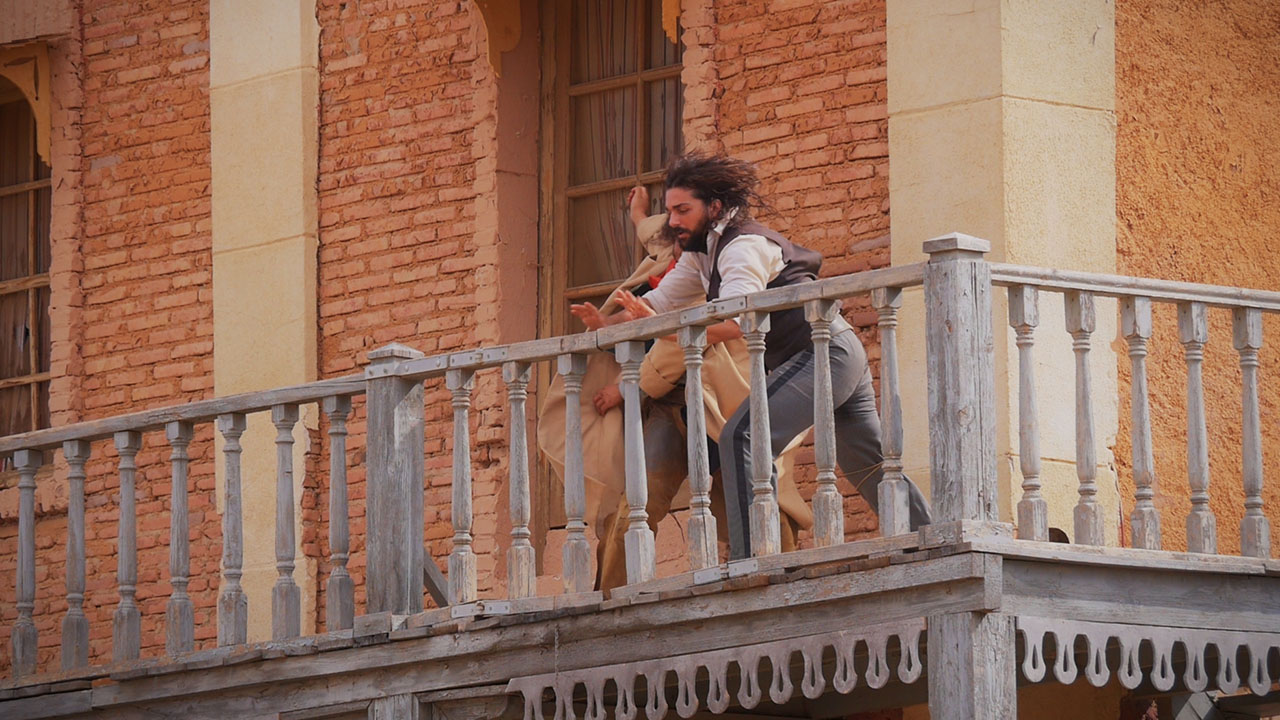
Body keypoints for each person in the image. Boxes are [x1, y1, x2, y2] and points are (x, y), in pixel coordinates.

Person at [603, 152, 933, 559]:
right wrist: (604, 323)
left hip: (825, 351)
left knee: (743, 436)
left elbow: (738, 322)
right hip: (831, 350)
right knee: (863, 457)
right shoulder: (701, 252)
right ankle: (929, 534)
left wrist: (662, 329)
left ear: (715, 207)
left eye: (682, 210)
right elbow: (659, 301)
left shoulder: (742, 247)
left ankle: (752, 559)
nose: (672, 221)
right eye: (669, 211)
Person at [539, 186, 811, 593]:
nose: (677, 238)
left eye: (684, 215)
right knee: (639, 500)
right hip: (672, 409)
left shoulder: (718, 269)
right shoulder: (674, 257)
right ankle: (611, 594)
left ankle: (777, 578)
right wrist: (637, 218)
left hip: (722, 399)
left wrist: (624, 389)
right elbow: (656, 237)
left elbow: (675, 348)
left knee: (759, 490)